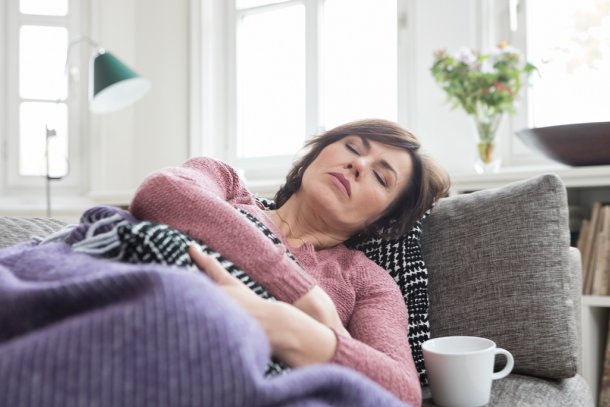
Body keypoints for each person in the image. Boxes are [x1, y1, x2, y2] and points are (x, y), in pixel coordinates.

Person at [130, 118, 450, 405]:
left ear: (383, 220)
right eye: (352, 147)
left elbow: (401, 393)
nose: (359, 164)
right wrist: (305, 296)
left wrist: (289, 328)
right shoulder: (227, 187)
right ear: (315, 154)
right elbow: (160, 192)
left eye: (381, 178)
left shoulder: (368, 282)